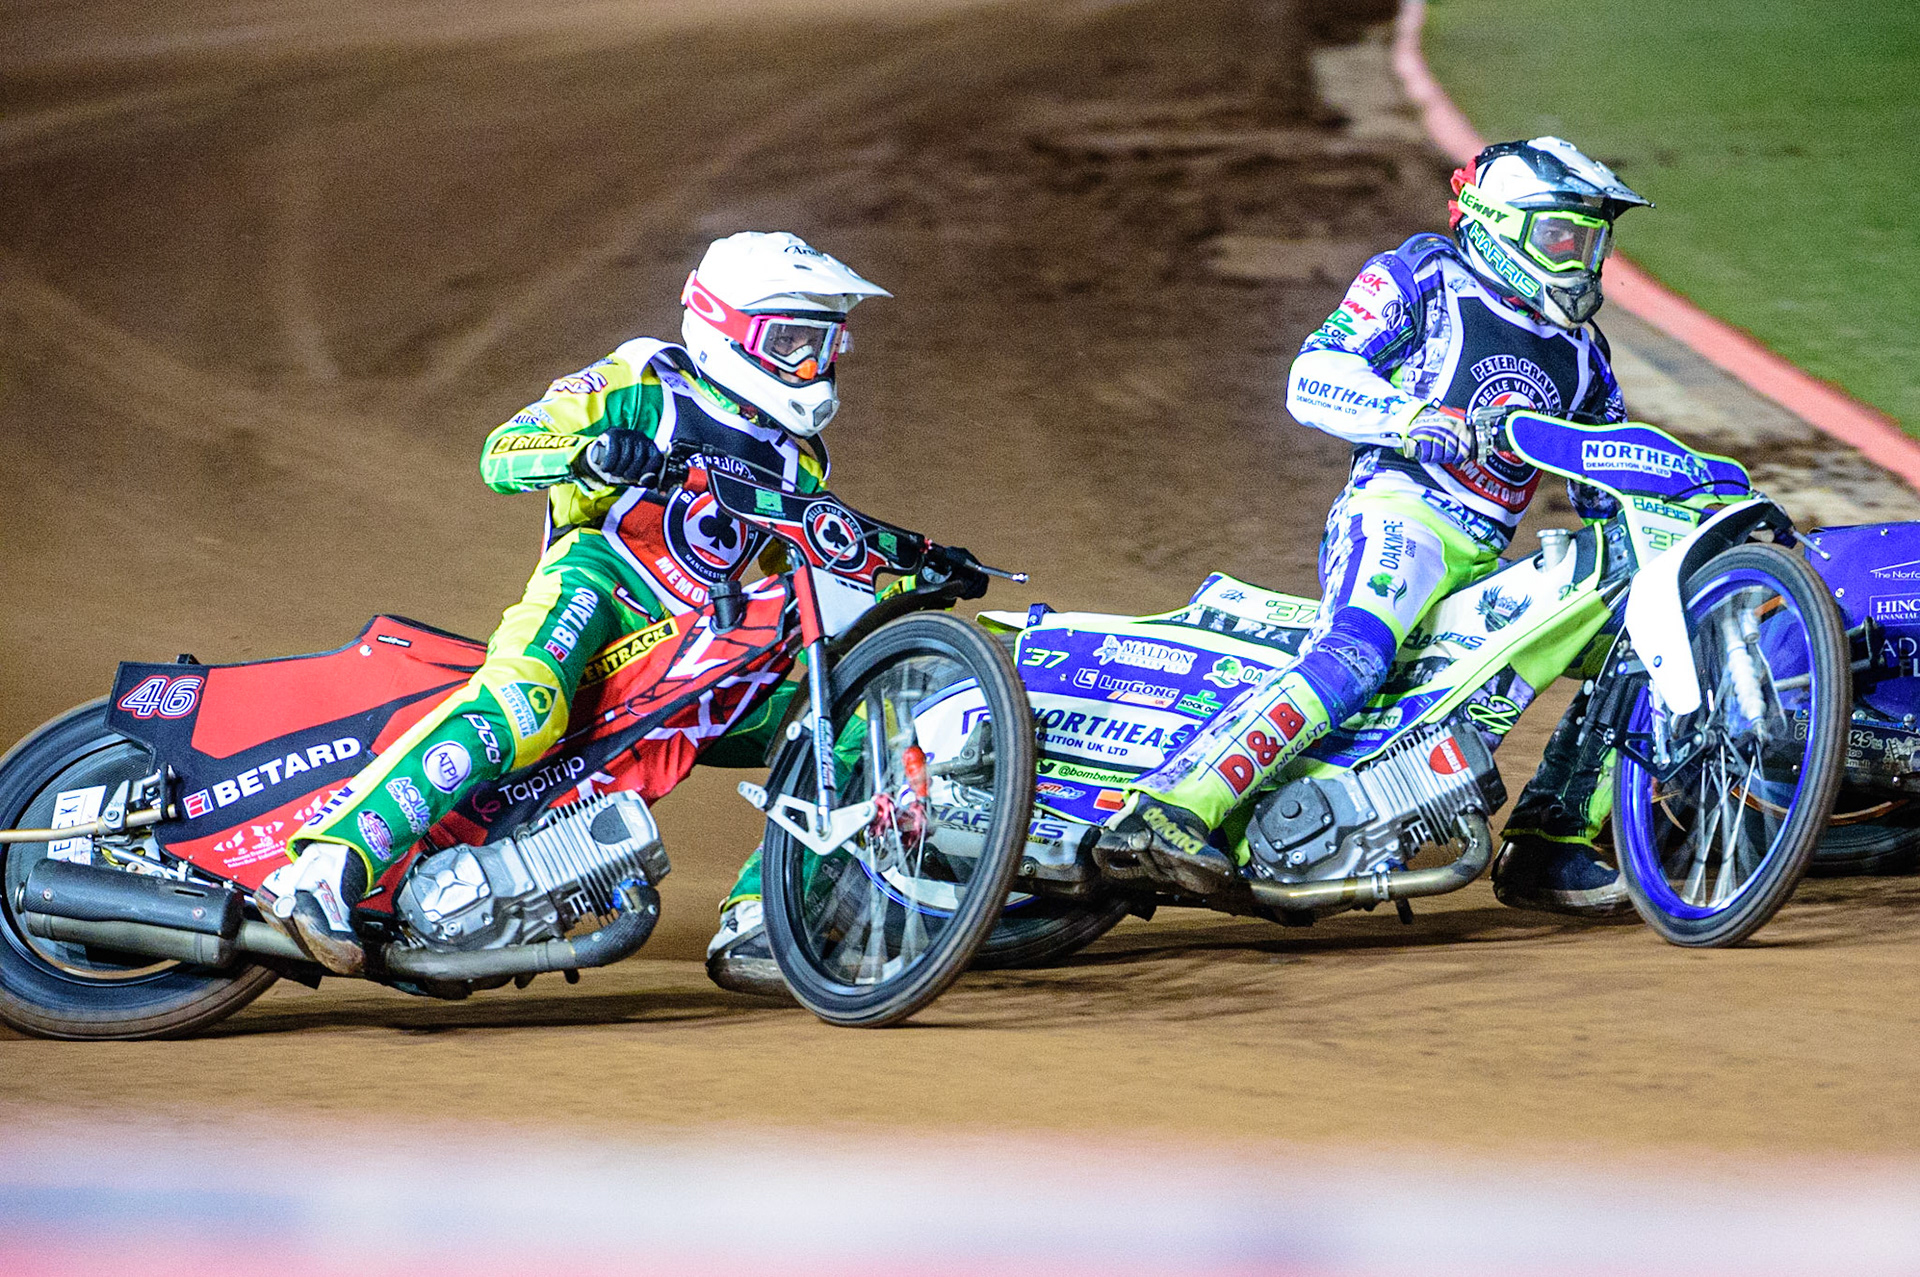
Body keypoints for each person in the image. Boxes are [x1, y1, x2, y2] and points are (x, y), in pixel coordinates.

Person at [257, 231, 891, 974]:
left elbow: (809, 558)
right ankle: (325, 869)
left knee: (846, 716)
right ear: (729, 330)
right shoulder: (649, 380)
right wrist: (585, 452)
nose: (813, 367)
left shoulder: (799, 457)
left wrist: (900, 572)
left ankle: (763, 918)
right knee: (524, 705)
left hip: (689, 648)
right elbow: (504, 450)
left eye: (825, 345)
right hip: (595, 585)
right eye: (792, 342)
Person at [1101, 136, 1650, 917]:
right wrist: (1416, 417)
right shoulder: (1427, 274)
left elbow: (1607, 486)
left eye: (1592, 242)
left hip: (1486, 556)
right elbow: (1313, 375)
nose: (1581, 259)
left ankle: (1551, 840)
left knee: (1634, 629)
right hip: (1402, 515)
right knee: (1356, 656)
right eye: (1563, 238)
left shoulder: (1585, 357)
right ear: (1503, 224)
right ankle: (1172, 807)